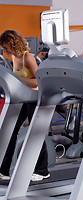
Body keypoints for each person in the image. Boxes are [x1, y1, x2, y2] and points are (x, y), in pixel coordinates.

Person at [0, 30, 50, 181]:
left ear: (14, 44)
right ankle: (3, 170)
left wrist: (17, 80)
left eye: (6, 48)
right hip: (22, 98)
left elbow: (38, 81)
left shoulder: (27, 57)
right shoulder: (14, 57)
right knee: (10, 131)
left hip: (33, 99)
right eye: (3, 49)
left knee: (35, 132)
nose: (5, 51)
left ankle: (42, 170)